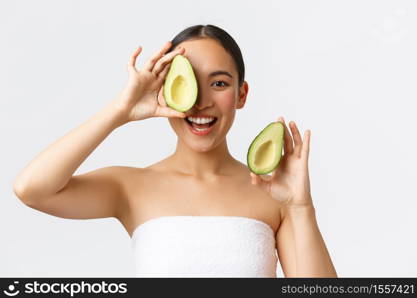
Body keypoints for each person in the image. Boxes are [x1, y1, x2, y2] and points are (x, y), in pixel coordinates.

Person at [13, 24, 337, 278]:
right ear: (164, 91)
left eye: (219, 83)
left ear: (242, 94)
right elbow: (32, 189)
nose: (201, 101)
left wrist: (301, 207)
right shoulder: (131, 187)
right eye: (187, 82)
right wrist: (120, 110)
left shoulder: (272, 194)